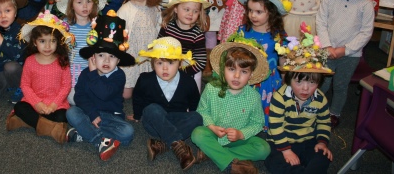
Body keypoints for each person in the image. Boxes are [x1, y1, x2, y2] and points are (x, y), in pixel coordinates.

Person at [191, 35, 271, 173]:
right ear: (223, 70)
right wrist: (212, 127)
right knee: (197, 134)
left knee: (264, 149)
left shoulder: (254, 97)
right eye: (231, 69)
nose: (236, 76)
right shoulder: (211, 89)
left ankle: (214, 154)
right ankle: (229, 162)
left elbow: (257, 123)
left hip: (239, 140)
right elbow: (202, 111)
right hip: (214, 134)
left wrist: (241, 134)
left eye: (244, 71)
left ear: (251, 75)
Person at [317, 0, 375, 128]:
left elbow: (366, 32)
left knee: (340, 85)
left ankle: (334, 112)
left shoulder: (365, 4)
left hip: (349, 56)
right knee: (322, 82)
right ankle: (314, 108)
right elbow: (321, 21)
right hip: (327, 51)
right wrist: (327, 46)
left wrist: (346, 50)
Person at [65, 11, 135, 161]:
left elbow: (104, 93)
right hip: (90, 113)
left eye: (112, 57)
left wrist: (93, 75)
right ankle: (100, 141)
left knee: (128, 132)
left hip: (111, 116)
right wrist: (91, 113)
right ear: (93, 58)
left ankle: (85, 133)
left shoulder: (119, 75)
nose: (106, 61)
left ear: (118, 61)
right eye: (101, 55)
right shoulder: (86, 73)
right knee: (71, 112)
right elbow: (79, 96)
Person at [132, 37, 202, 170]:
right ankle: (178, 145)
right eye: (159, 63)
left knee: (197, 118)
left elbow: (194, 101)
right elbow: (137, 97)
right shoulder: (145, 79)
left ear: (180, 63)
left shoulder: (188, 82)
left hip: (176, 120)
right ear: (153, 64)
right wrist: (137, 115)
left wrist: (191, 112)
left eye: (170, 63)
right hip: (154, 123)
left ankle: (162, 144)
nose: (165, 68)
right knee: (152, 109)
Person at [266, 36, 334, 173]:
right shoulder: (280, 97)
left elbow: (324, 122)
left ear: (319, 83)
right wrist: (286, 151)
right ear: (289, 80)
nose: (305, 88)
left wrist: (321, 142)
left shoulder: (321, 99)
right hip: (282, 140)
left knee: (323, 157)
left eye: (312, 83)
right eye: (299, 82)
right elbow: (276, 126)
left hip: (307, 140)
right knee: (274, 162)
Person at [5, 11, 74, 144]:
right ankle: (49, 129)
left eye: (52, 41)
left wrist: (53, 105)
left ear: (58, 42)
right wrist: (37, 103)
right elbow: (25, 85)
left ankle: (27, 122)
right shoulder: (30, 61)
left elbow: (66, 86)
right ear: (35, 42)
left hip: (55, 103)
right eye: (42, 41)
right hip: (34, 102)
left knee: (63, 116)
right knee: (20, 106)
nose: (48, 46)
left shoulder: (62, 61)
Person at [235, 0, 291, 130]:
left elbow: (283, 58)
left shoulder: (277, 34)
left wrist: (286, 78)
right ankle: (245, 127)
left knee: (266, 106)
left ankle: (263, 129)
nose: (253, 15)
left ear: (271, 13)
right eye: (250, 11)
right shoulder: (243, 31)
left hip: (269, 81)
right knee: (245, 106)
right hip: (247, 77)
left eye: (259, 12)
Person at [117, 0, 167, 99]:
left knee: (146, 88)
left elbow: (158, 28)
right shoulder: (126, 8)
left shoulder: (155, 8)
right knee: (126, 95)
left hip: (148, 52)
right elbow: (118, 31)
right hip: (131, 52)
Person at [54, 0, 107, 105]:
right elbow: (60, 50)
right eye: (79, 2)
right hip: (72, 71)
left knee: (101, 94)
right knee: (74, 98)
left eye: (88, 1)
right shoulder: (65, 25)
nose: (85, 6)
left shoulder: (97, 25)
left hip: (93, 70)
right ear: (71, 5)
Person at [159, 0, 211, 92]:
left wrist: (182, 71)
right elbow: (158, 48)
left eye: (195, 11)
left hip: (188, 71)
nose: (190, 14)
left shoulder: (197, 34)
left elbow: (201, 61)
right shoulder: (167, 27)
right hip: (167, 66)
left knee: (186, 95)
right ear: (176, 9)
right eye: (186, 9)